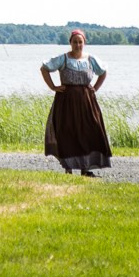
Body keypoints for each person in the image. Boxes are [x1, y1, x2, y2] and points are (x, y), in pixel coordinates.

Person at [40, 29, 112, 176]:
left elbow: (103, 72)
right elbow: (44, 68)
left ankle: (85, 168)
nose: (78, 45)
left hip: (87, 101)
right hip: (66, 102)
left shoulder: (91, 59)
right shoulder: (63, 59)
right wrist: (53, 87)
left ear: (84, 43)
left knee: (89, 131)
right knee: (68, 132)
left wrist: (95, 88)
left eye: (80, 42)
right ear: (70, 43)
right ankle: (68, 168)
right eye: (75, 42)